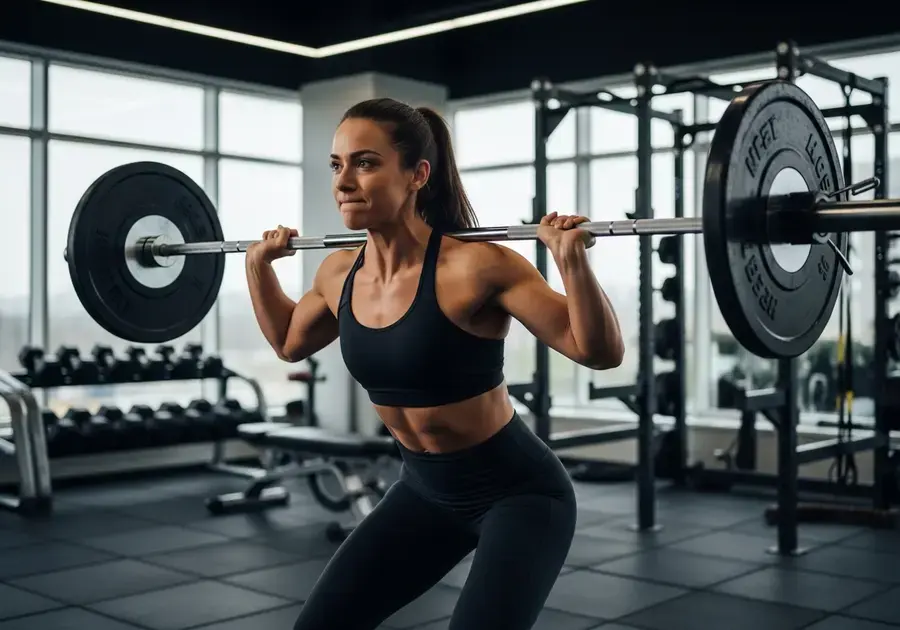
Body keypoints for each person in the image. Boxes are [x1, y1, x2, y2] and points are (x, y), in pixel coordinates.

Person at [245, 98, 625, 630]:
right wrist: (257, 267)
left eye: (366, 163)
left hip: (518, 495)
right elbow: (288, 341)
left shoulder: (476, 265)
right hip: (424, 491)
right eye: (337, 165)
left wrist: (572, 262)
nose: (344, 181)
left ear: (418, 174)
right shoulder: (337, 274)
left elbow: (599, 352)